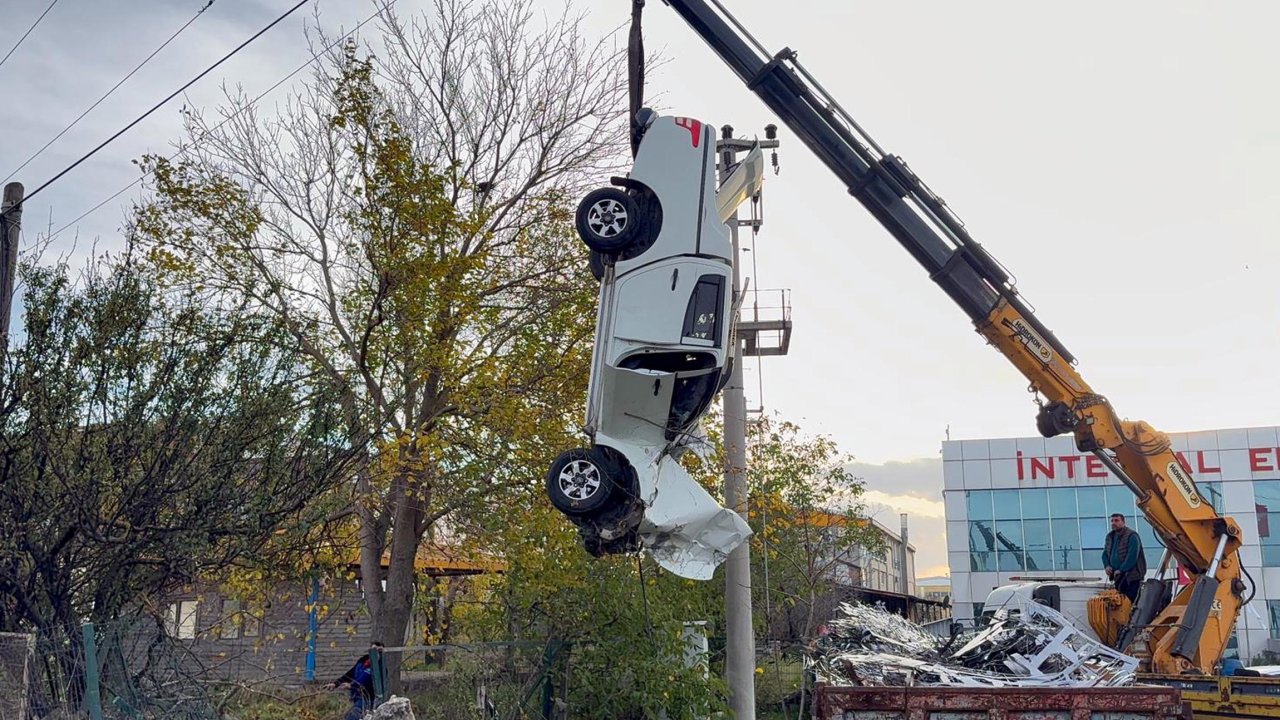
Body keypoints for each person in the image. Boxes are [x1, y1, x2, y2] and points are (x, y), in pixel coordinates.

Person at [325, 640, 385, 720]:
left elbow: (367, 682)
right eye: (374, 651)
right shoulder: (362, 662)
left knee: (352, 717)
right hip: (356, 697)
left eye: (379, 651)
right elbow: (350, 674)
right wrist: (336, 684)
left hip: (368, 699)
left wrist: (351, 685)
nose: (376, 654)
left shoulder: (380, 667)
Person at [1102, 513, 1146, 604]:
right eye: (1112, 521)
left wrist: (1122, 569)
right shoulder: (1110, 537)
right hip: (1118, 577)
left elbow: (1132, 556)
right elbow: (1105, 554)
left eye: (1117, 520)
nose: (1114, 523)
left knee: (1130, 601)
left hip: (1132, 577)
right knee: (1119, 602)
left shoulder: (1132, 536)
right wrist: (1107, 566)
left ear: (1123, 522)